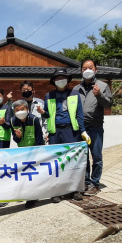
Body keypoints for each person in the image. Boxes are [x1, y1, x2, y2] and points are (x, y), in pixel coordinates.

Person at [37, 69, 91, 203]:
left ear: (67, 80)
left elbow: (79, 113)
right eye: (58, 78)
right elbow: (48, 115)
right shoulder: (49, 96)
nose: (60, 80)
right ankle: (57, 191)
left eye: (63, 77)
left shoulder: (74, 94)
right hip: (55, 132)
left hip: (71, 130)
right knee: (56, 161)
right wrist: (43, 112)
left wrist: (83, 131)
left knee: (74, 159)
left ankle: (76, 190)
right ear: (54, 81)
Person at [73, 59, 113, 196]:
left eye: (90, 67)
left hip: (95, 127)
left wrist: (99, 95)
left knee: (96, 156)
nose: (87, 70)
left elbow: (108, 104)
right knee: (83, 157)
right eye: (84, 68)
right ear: (81, 71)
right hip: (80, 129)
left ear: (96, 70)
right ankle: (85, 181)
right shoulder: (76, 89)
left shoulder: (102, 86)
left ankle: (95, 184)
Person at [10, 100, 44, 208]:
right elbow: (16, 140)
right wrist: (18, 136)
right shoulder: (12, 121)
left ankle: (33, 197)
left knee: (34, 174)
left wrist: (35, 153)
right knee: (25, 174)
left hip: (35, 151)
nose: (20, 111)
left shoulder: (34, 119)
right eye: (17, 110)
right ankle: (28, 194)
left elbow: (39, 138)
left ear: (27, 109)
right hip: (22, 152)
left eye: (22, 109)